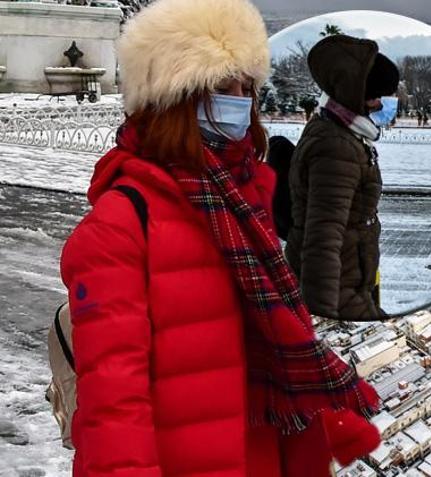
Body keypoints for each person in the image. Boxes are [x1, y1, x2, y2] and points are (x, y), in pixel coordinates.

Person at [59, 1, 380, 475]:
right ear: (170, 97)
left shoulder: (243, 198)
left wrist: (330, 421)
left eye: (246, 87)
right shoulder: (122, 224)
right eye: (218, 86)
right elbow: (113, 401)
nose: (238, 100)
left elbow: (271, 339)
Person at [284, 34, 399, 321]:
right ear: (355, 95)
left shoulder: (338, 131)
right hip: (342, 289)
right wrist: (326, 315)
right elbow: (323, 239)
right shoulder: (337, 147)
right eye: (375, 97)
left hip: (353, 276)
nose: (379, 106)